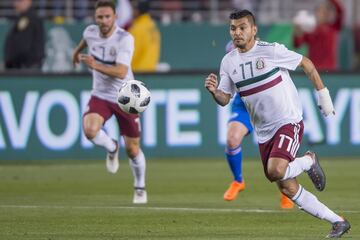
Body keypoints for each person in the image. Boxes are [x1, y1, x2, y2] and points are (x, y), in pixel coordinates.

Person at [205, 9, 351, 238]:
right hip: (264, 131)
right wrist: (215, 92)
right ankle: (338, 221)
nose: (237, 32)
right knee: (287, 187)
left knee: (275, 171)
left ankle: (308, 160)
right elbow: (225, 99)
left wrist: (324, 97)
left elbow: (308, 64)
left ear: (254, 30)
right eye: (233, 28)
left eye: (242, 27)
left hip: (288, 120)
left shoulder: (270, 51)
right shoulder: (228, 62)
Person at [72, 0, 147, 204]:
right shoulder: (90, 32)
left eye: (107, 17)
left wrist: (94, 65)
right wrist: (76, 52)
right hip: (101, 94)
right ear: (95, 18)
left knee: (133, 150)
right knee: (89, 130)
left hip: (126, 95)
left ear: (115, 17)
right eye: (100, 17)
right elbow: (85, 41)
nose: (104, 21)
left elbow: (121, 71)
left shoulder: (124, 39)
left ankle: (140, 186)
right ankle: (112, 147)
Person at [223, 41, 294, 209]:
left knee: (276, 156)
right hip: (244, 106)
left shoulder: (266, 51)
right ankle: (238, 181)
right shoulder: (231, 59)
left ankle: (285, 192)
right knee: (232, 139)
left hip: (269, 106)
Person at [293, 0, 343, 71]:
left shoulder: (334, 27)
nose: (323, 14)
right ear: (316, 13)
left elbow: (341, 11)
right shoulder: (310, 29)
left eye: (325, 12)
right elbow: (297, 44)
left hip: (330, 70)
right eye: (320, 11)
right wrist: (297, 31)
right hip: (313, 70)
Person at [4, 0, 45, 70]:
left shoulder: (29, 19)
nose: (16, 4)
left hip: (26, 68)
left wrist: (11, 62)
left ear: (28, 1)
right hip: (23, 68)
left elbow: (22, 45)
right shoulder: (24, 18)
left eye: (19, 1)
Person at [128, 0, 161, 72]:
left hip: (138, 72)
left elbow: (131, 53)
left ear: (138, 10)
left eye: (134, 8)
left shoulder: (137, 28)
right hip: (151, 71)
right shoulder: (152, 25)